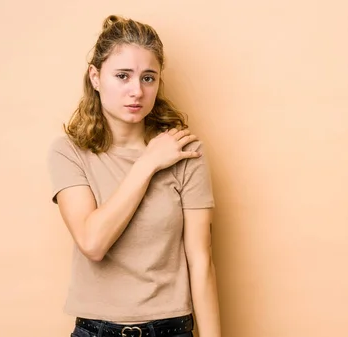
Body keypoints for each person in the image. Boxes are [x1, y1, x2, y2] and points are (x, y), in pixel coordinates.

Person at [46, 14, 221, 337]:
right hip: (96, 331)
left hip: (171, 329)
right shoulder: (68, 153)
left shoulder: (185, 151)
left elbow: (201, 260)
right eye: (123, 76)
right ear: (96, 77)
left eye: (148, 78)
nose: (137, 91)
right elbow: (93, 242)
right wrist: (148, 163)